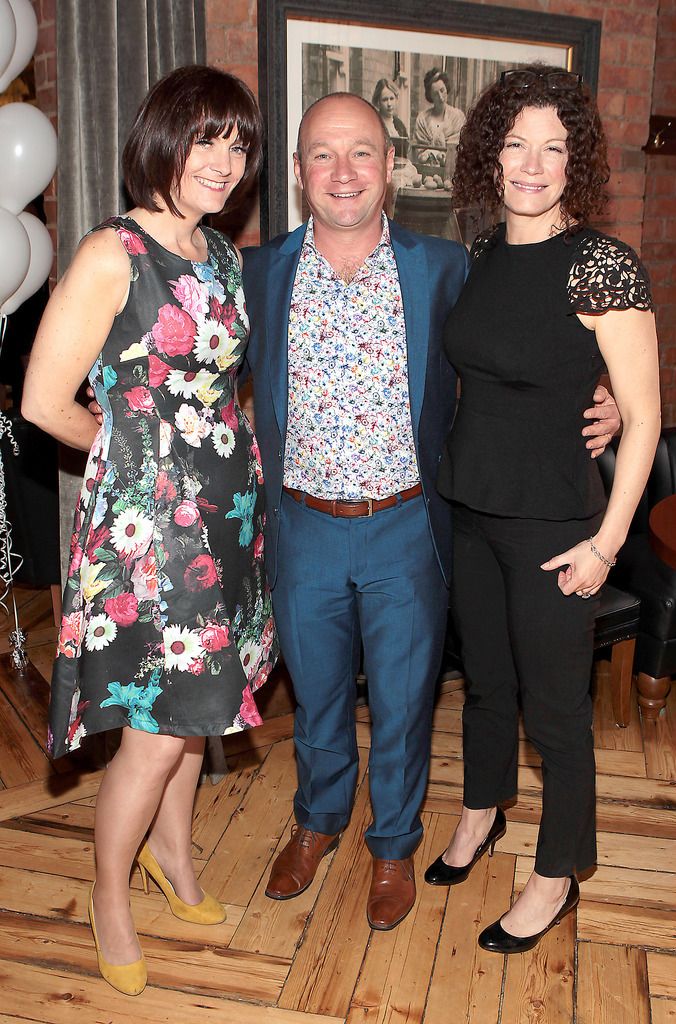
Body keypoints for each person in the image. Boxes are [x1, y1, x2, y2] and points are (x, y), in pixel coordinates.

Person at [240, 91, 620, 931]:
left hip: (409, 523)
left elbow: (531, 352)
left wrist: (610, 401)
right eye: (323, 154)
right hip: (300, 523)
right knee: (318, 695)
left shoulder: (444, 267)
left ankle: (393, 845)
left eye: (363, 152)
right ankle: (317, 821)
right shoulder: (257, 273)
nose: (344, 173)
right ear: (298, 172)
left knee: (410, 699)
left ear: (390, 165)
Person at [22, 65, 278, 995]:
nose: (226, 161)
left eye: (240, 144)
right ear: (164, 138)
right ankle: (108, 893)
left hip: (226, 514)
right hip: (151, 532)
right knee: (158, 731)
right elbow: (46, 402)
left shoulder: (222, 255)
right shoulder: (111, 255)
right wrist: (137, 460)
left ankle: (175, 859)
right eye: (208, 137)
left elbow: (218, 389)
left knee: (197, 713)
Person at [425, 65, 661, 954]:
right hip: (471, 510)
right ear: (491, 156)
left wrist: (605, 545)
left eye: (554, 149)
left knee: (555, 710)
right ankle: (483, 809)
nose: (533, 164)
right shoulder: (484, 255)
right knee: (485, 683)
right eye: (516, 144)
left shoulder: (602, 264)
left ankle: (558, 869)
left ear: (577, 164)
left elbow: (640, 420)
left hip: (558, 528)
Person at [413, 68, 465, 167]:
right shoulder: (422, 119)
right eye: (435, 94)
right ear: (430, 96)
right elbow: (418, 151)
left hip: (452, 171)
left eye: (442, 90)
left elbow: (463, 148)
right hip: (426, 172)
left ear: (447, 88)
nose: (441, 97)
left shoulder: (458, 117)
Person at [372, 78, 408, 157]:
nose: (389, 104)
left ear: (396, 99)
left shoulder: (400, 125)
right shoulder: (373, 124)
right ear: (378, 102)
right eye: (385, 100)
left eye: (391, 99)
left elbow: (405, 154)